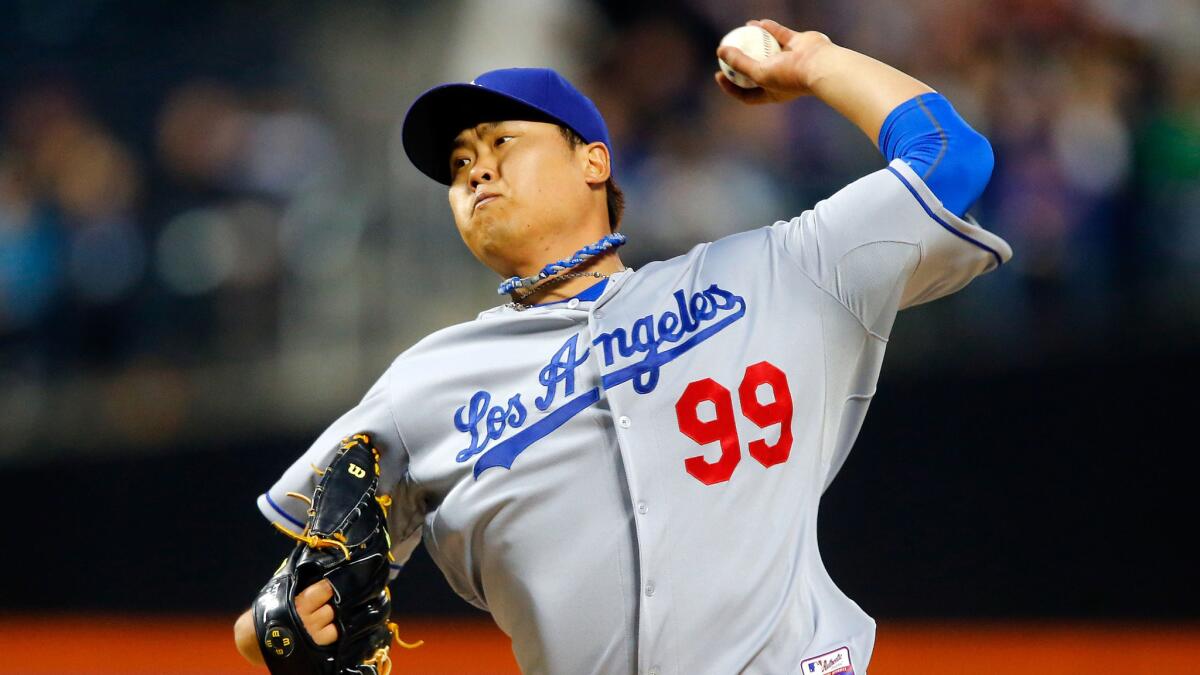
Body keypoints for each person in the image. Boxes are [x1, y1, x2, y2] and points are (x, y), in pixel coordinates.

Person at [234, 18, 1011, 674]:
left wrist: (815, 62)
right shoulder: (424, 387)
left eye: (501, 139)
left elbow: (951, 157)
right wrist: (283, 625)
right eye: (460, 163)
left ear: (593, 161)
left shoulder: (775, 272)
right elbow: (280, 606)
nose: (477, 169)